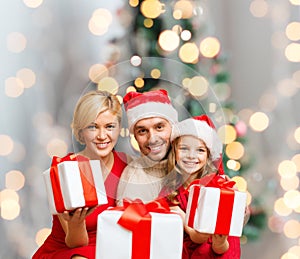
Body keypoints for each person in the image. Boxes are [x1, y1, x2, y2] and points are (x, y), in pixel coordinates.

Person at [32, 90, 127, 259]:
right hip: (70, 250)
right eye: (93, 127)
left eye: (110, 126)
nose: (102, 136)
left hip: (111, 250)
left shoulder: (128, 166)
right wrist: (76, 223)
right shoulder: (65, 169)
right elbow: (75, 243)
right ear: (81, 131)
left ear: (119, 129)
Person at [159, 115, 241, 258]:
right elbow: (192, 236)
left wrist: (220, 244)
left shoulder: (218, 188)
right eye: (184, 148)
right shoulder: (169, 190)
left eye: (200, 150)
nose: (191, 156)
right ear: (174, 151)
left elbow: (226, 246)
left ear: (209, 155)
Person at [116, 89, 178, 205]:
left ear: (173, 128)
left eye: (159, 127)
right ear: (135, 137)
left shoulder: (193, 164)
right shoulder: (134, 177)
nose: (152, 139)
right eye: (143, 131)